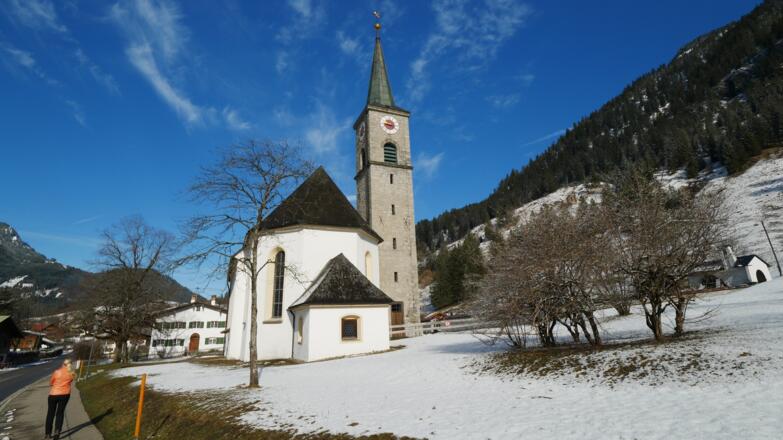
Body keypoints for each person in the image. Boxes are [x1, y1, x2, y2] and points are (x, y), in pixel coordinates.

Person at [45, 358, 75, 439]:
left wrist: (55, 384)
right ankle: (57, 432)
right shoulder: (72, 373)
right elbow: (70, 381)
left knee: (50, 413)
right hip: (65, 394)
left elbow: (51, 382)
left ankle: (48, 434)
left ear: (63, 364)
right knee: (60, 413)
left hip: (53, 394)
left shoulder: (57, 372)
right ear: (70, 364)